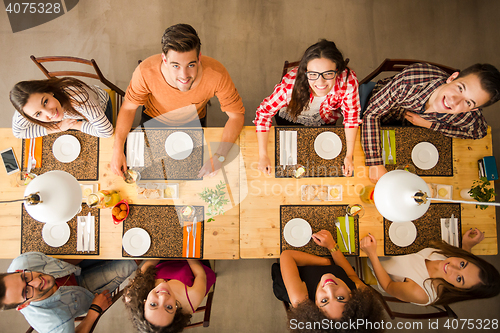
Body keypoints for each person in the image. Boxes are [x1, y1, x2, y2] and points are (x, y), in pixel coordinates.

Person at [110, 23, 245, 179]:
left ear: (199, 58)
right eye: (176, 65)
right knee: (146, 175)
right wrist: (117, 149)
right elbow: (128, 108)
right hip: (154, 119)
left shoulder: (217, 74)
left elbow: (236, 116)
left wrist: (220, 156)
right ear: (164, 60)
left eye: (191, 65)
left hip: (194, 120)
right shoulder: (145, 72)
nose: (184, 76)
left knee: (194, 178)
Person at [361, 62, 500, 183]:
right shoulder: (409, 83)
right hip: (383, 111)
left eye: (468, 102)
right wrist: (375, 162)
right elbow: (372, 113)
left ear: (473, 109)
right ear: (452, 77)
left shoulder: (468, 116)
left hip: (411, 132)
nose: (454, 101)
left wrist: (431, 125)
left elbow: (479, 132)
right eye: (460, 88)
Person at [254, 39, 362, 177]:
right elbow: (264, 113)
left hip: (324, 121)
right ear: (305, 71)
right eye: (313, 74)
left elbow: (351, 117)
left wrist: (349, 155)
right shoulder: (290, 85)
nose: (320, 82)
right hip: (291, 118)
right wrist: (263, 155)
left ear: (338, 70)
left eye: (328, 74)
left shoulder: (347, 81)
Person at [272, 230, 385, 332]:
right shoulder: (361, 292)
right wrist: (332, 246)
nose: (329, 288)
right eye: (340, 298)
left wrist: (326, 262)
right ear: (353, 296)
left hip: (297, 269)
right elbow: (349, 274)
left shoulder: (300, 300)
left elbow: (287, 256)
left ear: (314, 306)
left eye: (324, 300)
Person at [0, 252, 137, 333]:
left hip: (73, 267)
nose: (37, 281)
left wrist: (89, 251)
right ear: (24, 305)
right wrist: (94, 311)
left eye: (25, 277)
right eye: (27, 291)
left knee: (114, 244)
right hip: (85, 292)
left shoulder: (24, 261)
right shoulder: (52, 323)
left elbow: (59, 260)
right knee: (128, 265)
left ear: (18, 271)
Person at [360, 228, 500, 306]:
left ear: (459, 290)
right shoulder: (455, 257)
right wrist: (467, 246)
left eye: (459, 279)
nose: (451, 267)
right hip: (402, 243)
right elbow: (467, 272)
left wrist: (371, 254)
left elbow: (388, 286)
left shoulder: (421, 293)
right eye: (462, 264)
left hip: (380, 257)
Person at [123, 259, 216, 333]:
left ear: (144, 303)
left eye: (153, 304)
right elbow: (200, 274)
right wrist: (187, 252)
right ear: (176, 310)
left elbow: (147, 267)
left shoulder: (133, 295)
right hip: (193, 265)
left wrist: (162, 251)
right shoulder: (191, 298)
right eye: (169, 307)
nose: (163, 297)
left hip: (163, 262)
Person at [10, 77, 114, 139]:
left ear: (49, 92)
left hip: (101, 106)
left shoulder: (76, 96)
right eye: (38, 114)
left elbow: (107, 132)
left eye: (45, 102)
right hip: (73, 118)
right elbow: (18, 133)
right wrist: (58, 127)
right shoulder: (27, 108)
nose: (49, 113)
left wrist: (75, 125)